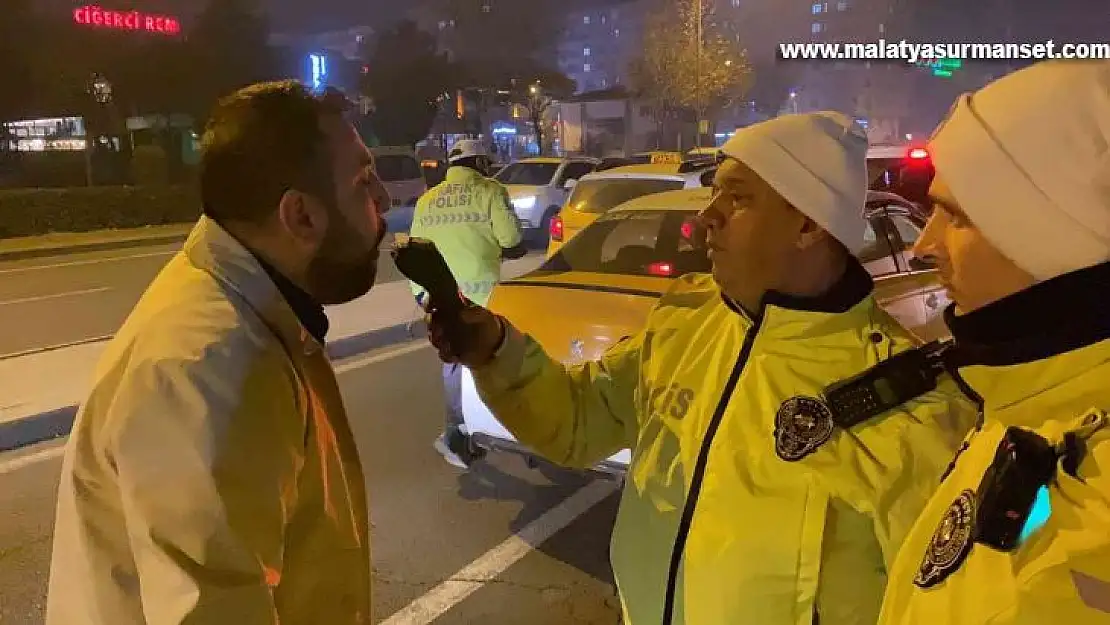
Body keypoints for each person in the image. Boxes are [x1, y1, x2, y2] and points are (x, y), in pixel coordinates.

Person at [423, 112, 978, 624]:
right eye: (713, 194)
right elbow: (580, 421)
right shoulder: (685, 323)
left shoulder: (913, 407)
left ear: (808, 224)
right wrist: (495, 348)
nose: (705, 218)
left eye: (736, 199)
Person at [45, 81, 389, 625]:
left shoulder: (251, 318)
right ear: (300, 216)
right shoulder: (207, 366)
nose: (385, 201)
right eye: (364, 181)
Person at [877, 59, 1110, 624]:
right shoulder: (1027, 397)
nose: (923, 245)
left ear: (1053, 235)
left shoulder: (1093, 483)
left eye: (955, 215)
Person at [409, 138, 525, 469]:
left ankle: (457, 433)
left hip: (438, 297)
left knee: (453, 364)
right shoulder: (490, 191)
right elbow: (512, 241)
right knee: (495, 359)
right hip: (483, 297)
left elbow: (414, 251)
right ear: (479, 164)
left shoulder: (427, 200)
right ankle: (493, 428)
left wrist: (422, 295)